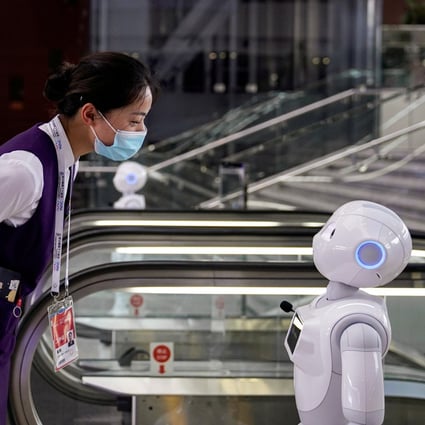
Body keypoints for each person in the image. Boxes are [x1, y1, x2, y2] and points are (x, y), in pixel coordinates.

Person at [0, 51, 159, 424]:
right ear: (90, 114)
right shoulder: (26, 170)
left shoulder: (64, 160)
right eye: (134, 121)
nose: (139, 133)